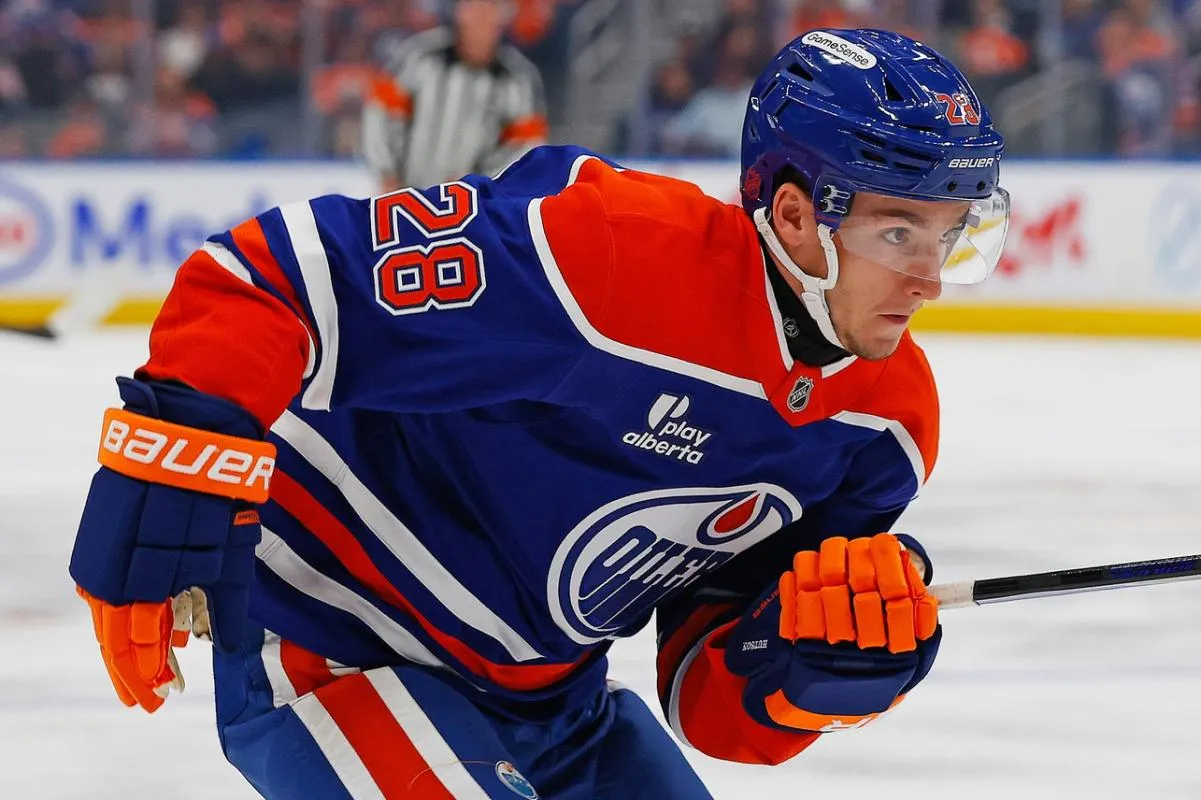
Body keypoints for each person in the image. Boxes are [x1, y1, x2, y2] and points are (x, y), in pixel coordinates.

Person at [69, 27, 1009, 800]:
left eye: (949, 234)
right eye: (898, 231)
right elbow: (265, 280)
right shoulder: (605, 255)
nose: (928, 278)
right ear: (796, 216)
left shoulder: (882, 428)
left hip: (557, 710)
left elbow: (704, 689)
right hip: (338, 642)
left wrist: (817, 666)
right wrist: (164, 493)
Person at [362, 0, 548, 193]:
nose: (482, 15)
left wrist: (481, 183)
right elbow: (381, 113)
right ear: (460, 12)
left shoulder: (518, 77)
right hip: (405, 192)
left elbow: (525, 146)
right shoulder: (421, 55)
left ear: (504, 16)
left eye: (491, 7)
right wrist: (387, 171)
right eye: (474, 6)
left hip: (474, 203)